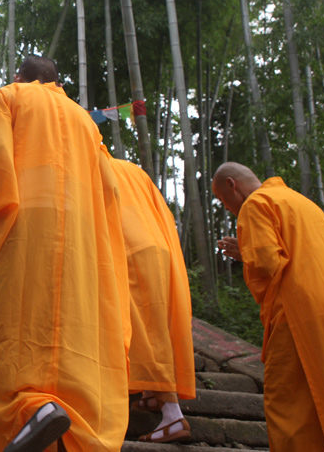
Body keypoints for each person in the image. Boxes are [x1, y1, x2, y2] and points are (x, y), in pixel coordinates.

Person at [0, 55, 130, 452]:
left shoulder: (9, 96)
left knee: (1, 327)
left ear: (21, 76)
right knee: (66, 329)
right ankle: (62, 424)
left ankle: (29, 407)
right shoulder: (85, 120)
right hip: (80, 237)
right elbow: (109, 188)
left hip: (27, 221)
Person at [213, 162, 324, 452]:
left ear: (232, 185)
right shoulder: (299, 201)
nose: (228, 207)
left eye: (223, 200)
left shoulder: (256, 204)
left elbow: (268, 263)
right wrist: (246, 250)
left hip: (299, 312)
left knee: (288, 401)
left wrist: (246, 252)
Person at [105, 147, 195, 444]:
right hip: (160, 249)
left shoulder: (91, 165)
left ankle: (172, 415)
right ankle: (151, 394)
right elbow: (163, 211)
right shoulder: (133, 169)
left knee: (143, 331)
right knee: (159, 326)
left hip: (129, 251)